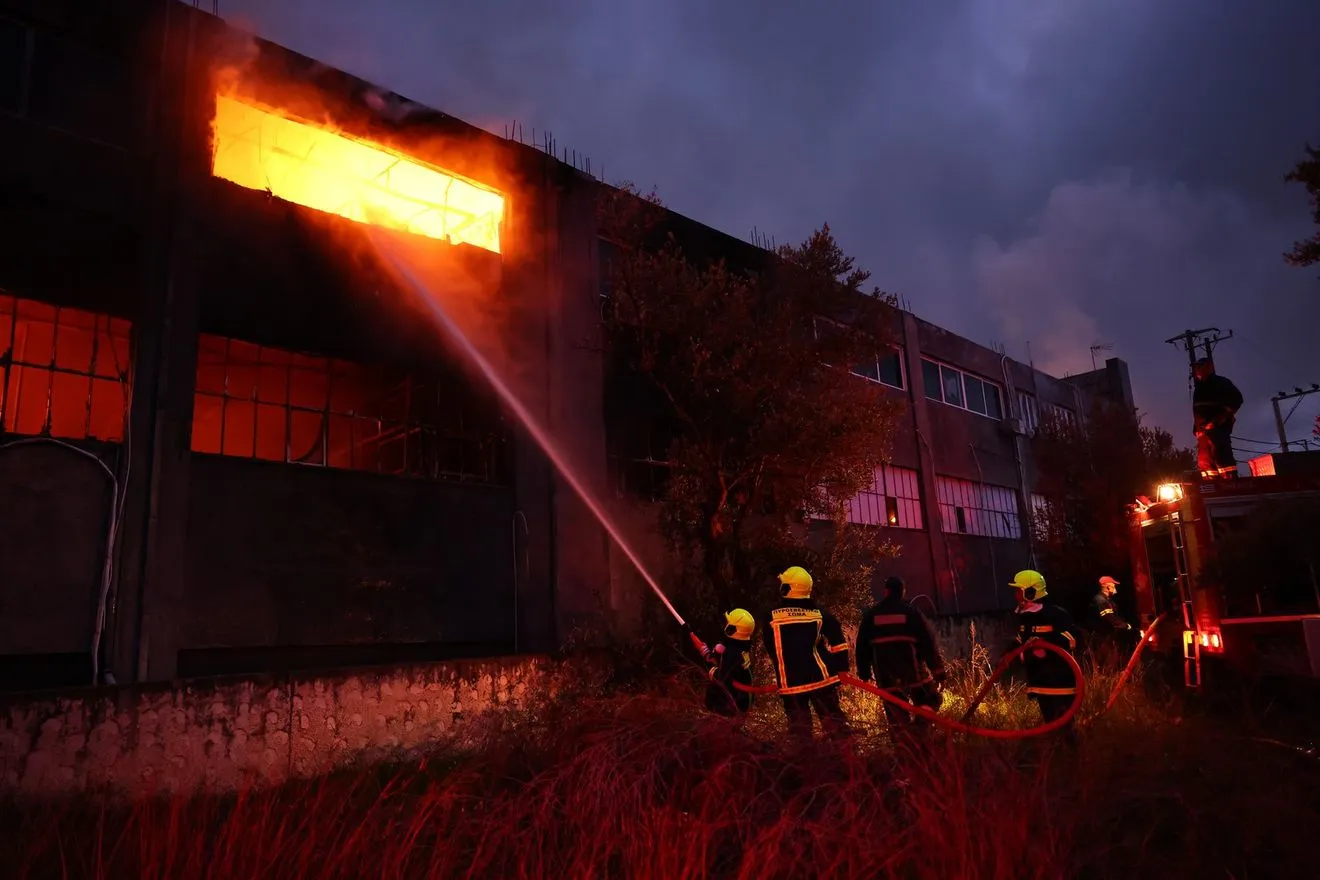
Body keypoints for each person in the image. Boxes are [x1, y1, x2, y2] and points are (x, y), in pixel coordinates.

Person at [763, 565, 852, 743]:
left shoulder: (771, 617)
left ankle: (806, 758)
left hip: (791, 684)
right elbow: (839, 643)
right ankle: (845, 755)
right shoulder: (819, 614)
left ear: (787, 588)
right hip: (822, 680)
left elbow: (771, 648)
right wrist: (841, 668)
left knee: (800, 733)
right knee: (835, 726)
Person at [855, 576, 947, 742]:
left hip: (886, 677)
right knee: (932, 699)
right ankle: (920, 729)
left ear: (886, 592)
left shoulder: (871, 616)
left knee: (896, 716)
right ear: (903, 592)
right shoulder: (912, 613)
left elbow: (862, 647)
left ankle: (902, 746)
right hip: (914, 676)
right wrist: (938, 672)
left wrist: (864, 674)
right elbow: (928, 644)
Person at [1008, 569, 1081, 747]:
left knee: (1064, 725)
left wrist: (1046, 645)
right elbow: (1021, 642)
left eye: (1019, 590)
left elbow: (1072, 639)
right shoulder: (1024, 616)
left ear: (1030, 592)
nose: (1016, 594)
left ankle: (1072, 755)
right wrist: (1010, 655)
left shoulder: (1054, 614)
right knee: (1050, 723)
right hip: (1040, 681)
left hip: (1059, 681)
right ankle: (1055, 755)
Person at [1192, 358, 1243, 480]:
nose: (1197, 369)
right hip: (1203, 433)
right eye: (1197, 367)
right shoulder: (1199, 388)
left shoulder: (1221, 383)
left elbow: (1237, 400)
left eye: (1200, 366)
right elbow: (1198, 410)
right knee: (1205, 462)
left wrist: (1219, 419)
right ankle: (1211, 484)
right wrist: (1196, 428)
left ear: (1209, 367)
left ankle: (1230, 483)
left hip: (1218, 431)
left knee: (1222, 457)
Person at [700, 609, 757, 716]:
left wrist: (712, 670)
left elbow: (723, 679)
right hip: (741, 702)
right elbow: (733, 670)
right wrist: (715, 655)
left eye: (728, 623)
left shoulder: (732, 653)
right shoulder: (741, 648)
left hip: (732, 707)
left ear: (732, 629)